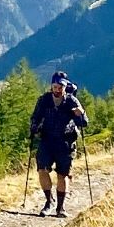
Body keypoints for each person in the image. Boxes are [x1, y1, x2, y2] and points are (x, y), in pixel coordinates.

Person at [29, 71, 88, 217]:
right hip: (47, 140)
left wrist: (80, 113)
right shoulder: (44, 100)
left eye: (60, 87)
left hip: (66, 142)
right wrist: (34, 127)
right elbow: (35, 117)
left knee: (63, 175)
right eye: (55, 87)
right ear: (51, 86)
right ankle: (49, 201)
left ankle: (60, 208)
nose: (57, 90)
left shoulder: (71, 101)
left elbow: (84, 123)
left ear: (65, 87)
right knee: (42, 170)